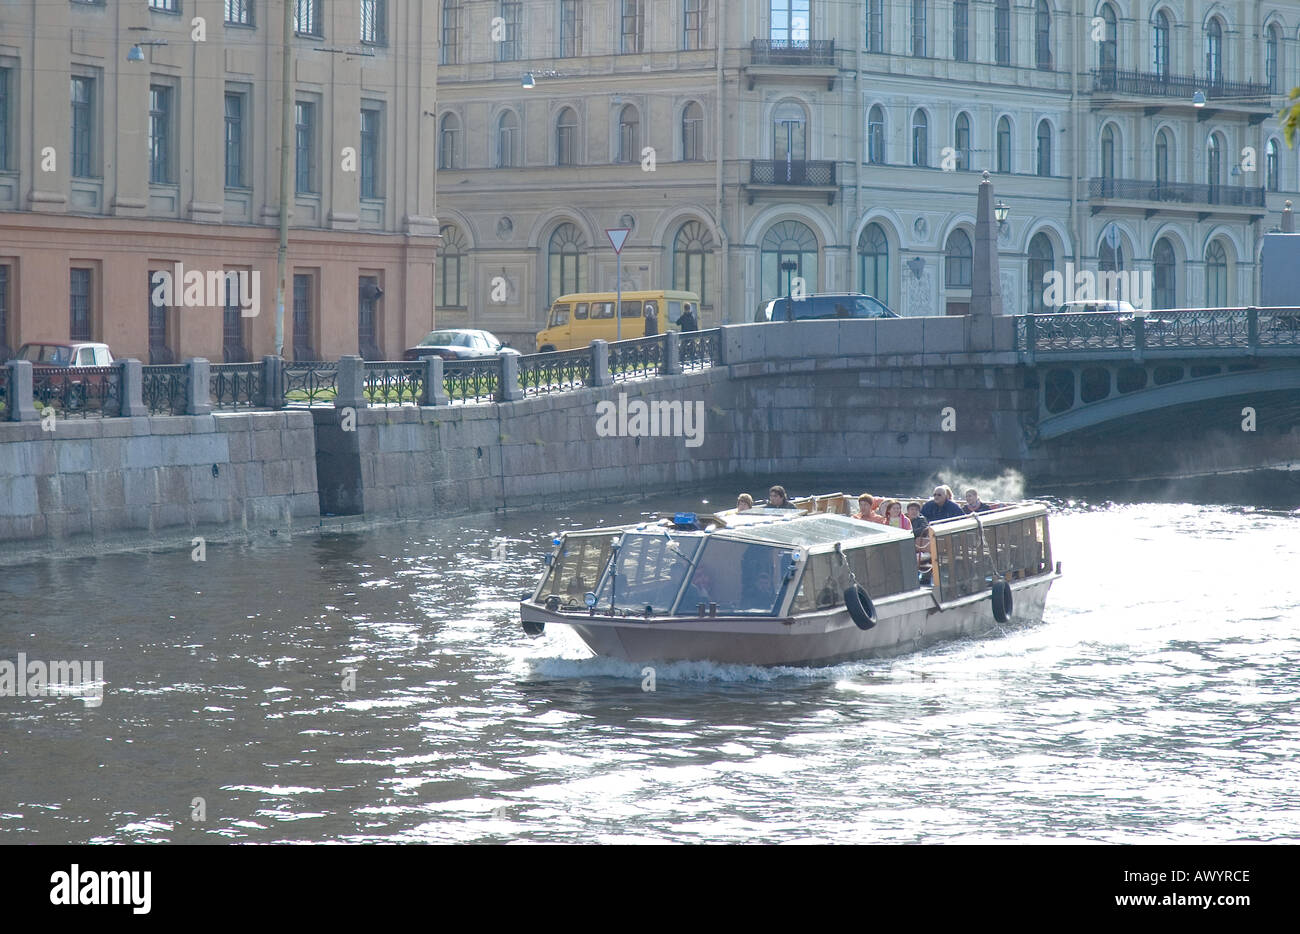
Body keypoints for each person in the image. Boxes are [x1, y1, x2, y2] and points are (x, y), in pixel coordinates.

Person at [912, 517, 934, 586]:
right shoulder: (907, 519)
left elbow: (924, 529)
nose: (913, 511)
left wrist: (912, 533)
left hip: (920, 549)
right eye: (912, 509)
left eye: (915, 510)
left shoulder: (921, 520)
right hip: (912, 549)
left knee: (926, 558)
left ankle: (925, 580)